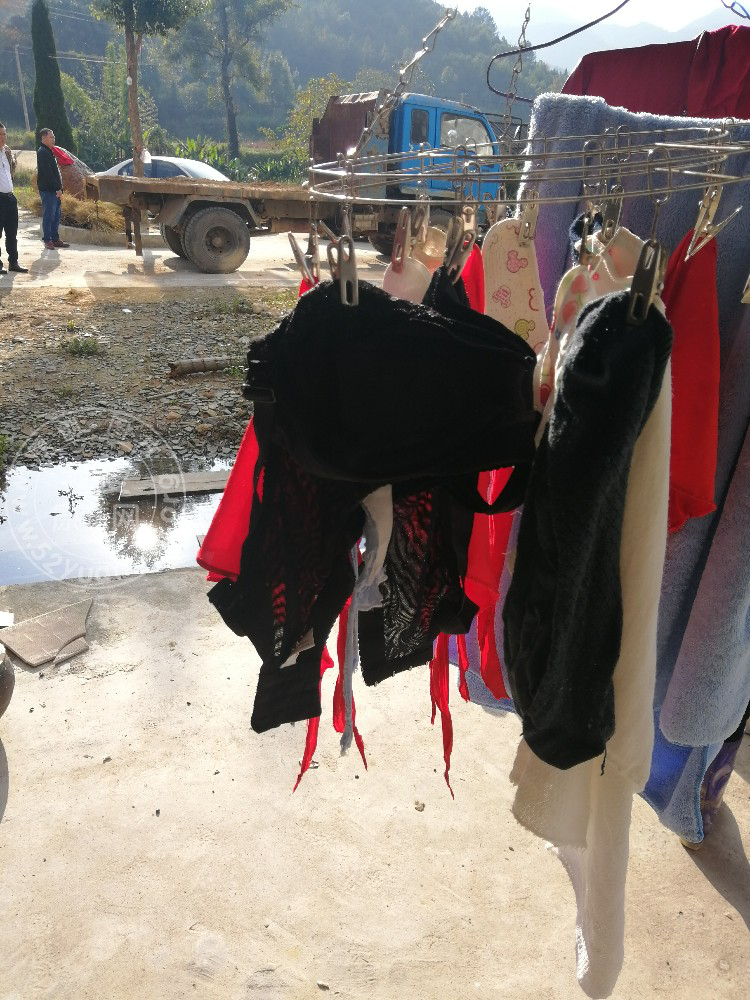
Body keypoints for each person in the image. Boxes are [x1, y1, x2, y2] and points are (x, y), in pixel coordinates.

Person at [0, 122, 28, 274]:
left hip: (10, 198)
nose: (3, 137)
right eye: (0, 134)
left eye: (4, 134)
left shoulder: (7, 152)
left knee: (12, 233)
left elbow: (11, 172)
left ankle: (13, 262)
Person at [36, 127, 69, 250]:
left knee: (56, 215)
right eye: (51, 137)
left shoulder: (49, 151)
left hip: (54, 189)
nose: (53, 139)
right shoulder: (42, 152)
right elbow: (48, 174)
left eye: (54, 137)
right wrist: (57, 189)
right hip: (48, 190)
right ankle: (47, 240)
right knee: (49, 215)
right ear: (43, 137)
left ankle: (55, 239)